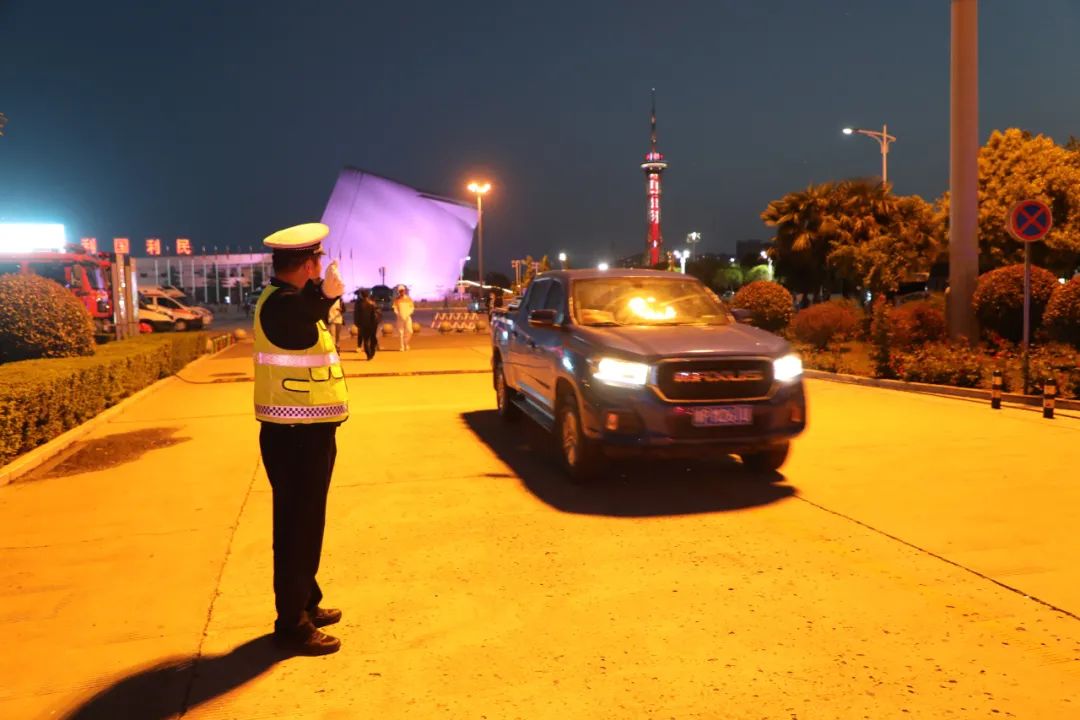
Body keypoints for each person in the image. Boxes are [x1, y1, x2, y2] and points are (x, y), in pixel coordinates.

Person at [252, 222, 348, 656]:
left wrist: (322, 298)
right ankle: (292, 624)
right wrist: (324, 296)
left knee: (307, 524)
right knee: (297, 529)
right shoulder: (282, 304)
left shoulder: (285, 300)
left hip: (305, 432)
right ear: (308, 265)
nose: (321, 268)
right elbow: (301, 317)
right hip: (295, 437)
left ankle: (306, 601)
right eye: (317, 262)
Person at [354, 289, 381, 360]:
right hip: (372, 324)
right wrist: (377, 322)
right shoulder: (372, 303)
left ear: (361, 295)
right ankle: (372, 352)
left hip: (363, 324)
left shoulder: (359, 304)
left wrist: (357, 323)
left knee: (366, 340)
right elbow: (377, 313)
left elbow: (356, 315)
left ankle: (368, 354)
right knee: (372, 338)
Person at [392, 285, 415, 351]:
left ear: (404, 291)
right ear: (398, 291)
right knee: (400, 333)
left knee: (410, 331)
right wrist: (398, 314)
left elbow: (412, 307)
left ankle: (406, 343)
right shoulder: (397, 299)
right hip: (400, 318)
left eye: (402, 290)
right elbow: (395, 308)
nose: (401, 292)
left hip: (407, 317)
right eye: (400, 291)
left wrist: (408, 314)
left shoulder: (408, 299)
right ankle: (402, 347)